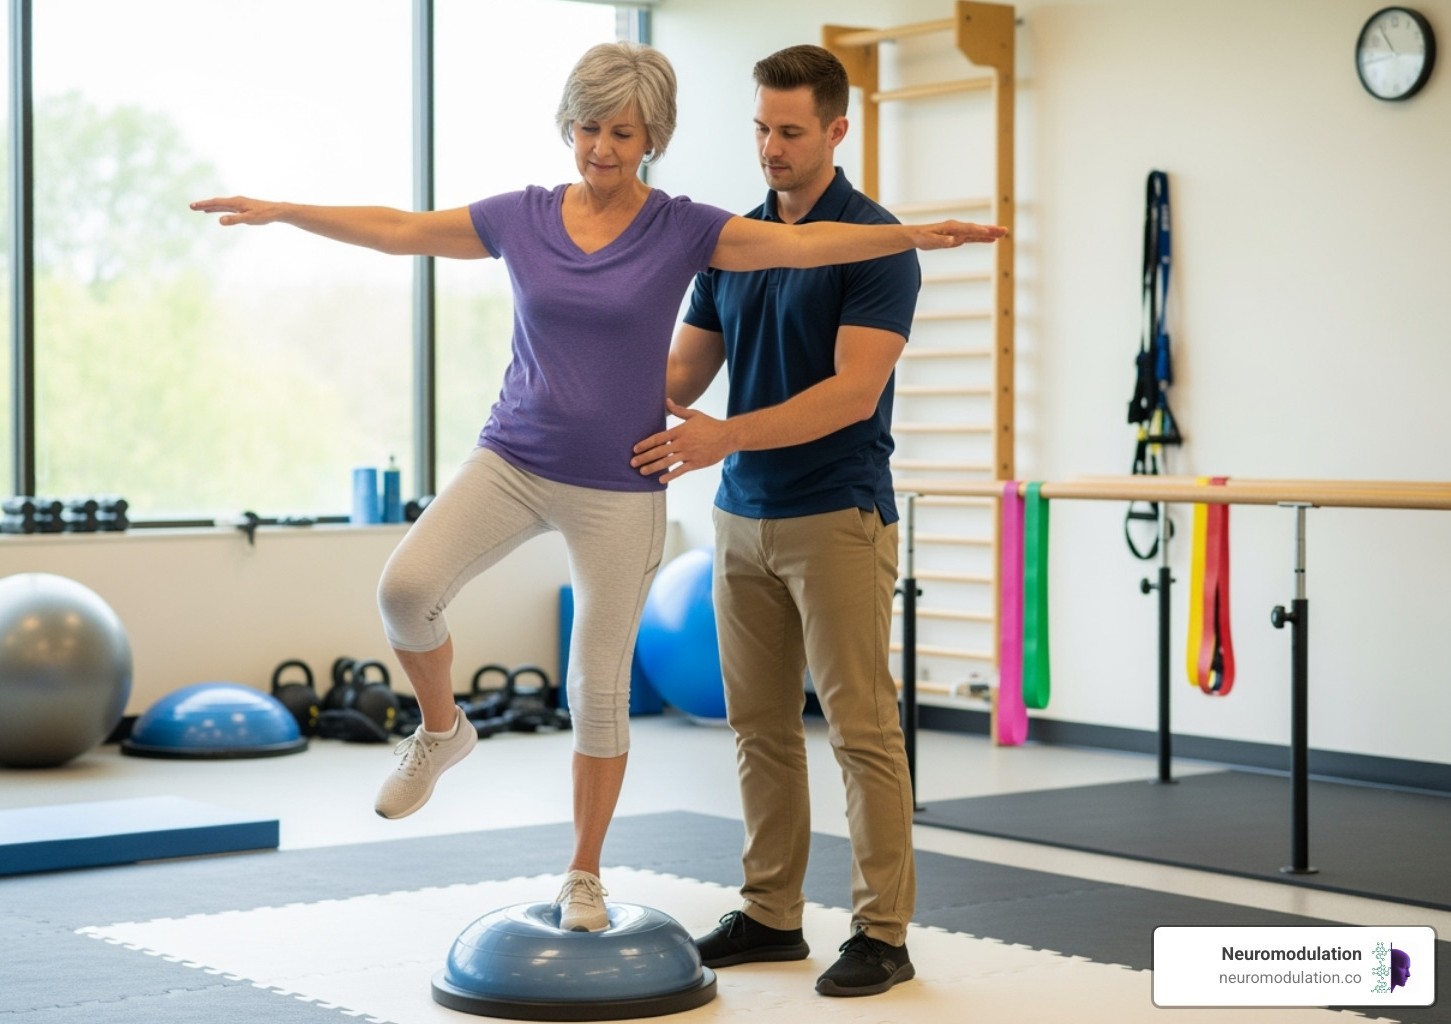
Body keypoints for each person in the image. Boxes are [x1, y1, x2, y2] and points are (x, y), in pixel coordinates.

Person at [193, 41, 1003, 936]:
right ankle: (458, 739)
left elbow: (819, 301)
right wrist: (286, 211)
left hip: (724, 496)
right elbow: (407, 229)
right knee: (419, 594)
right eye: (587, 127)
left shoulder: (703, 230)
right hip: (609, 476)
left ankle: (707, 899)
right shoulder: (541, 218)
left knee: (701, 707)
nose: (601, 147)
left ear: (652, 136)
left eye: (621, 131)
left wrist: (917, 234)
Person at [630, 44, 933, 996]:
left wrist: (726, 438)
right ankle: (771, 915)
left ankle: (884, 933)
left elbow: (851, 393)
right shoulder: (733, 242)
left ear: (836, 131)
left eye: (790, 131)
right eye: (760, 127)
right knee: (758, 727)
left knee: (860, 731)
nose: (770, 146)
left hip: (836, 514)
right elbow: (681, 375)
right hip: (741, 517)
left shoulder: (875, 243)